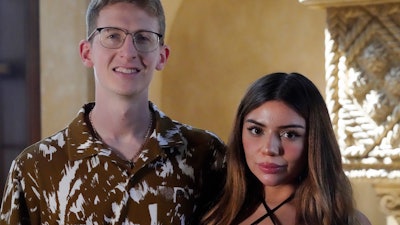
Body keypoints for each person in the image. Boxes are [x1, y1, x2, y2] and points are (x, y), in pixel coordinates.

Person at [0, 0, 225, 224]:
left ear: (162, 56)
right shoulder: (34, 168)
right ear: (86, 53)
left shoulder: (206, 155)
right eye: (112, 36)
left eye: (143, 37)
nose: (128, 52)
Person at [201, 72, 372, 225]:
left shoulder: (345, 221)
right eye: (256, 130)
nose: (269, 149)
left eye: (290, 134)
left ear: (315, 141)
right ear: (240, 133)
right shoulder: (214, 214)